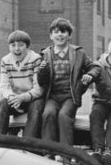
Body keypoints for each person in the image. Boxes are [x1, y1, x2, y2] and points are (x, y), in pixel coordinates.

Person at [37, 17, 94, 146]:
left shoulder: (78, 53)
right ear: (51, 36)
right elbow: (41, 82)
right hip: (52, 97)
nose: (60, 35)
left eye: (63, 32)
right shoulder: (45, 54)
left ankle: (66, 155)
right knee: (48, 114)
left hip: (70, 96)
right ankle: (49, 152)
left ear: (69, 35)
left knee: (64, 116)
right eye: (56, 32)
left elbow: (94, 67)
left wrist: (89, 75)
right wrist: (42, 72)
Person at [0, 30, 44, 138]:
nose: (16, 49)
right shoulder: (5, 61)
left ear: (27, 46)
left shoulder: (36, 60)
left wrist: (22, 98)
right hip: (16, 99)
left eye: (21, 45)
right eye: (13, 45)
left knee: (36, 109)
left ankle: (28, 144)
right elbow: (3, 87)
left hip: (32, 98)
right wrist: (12, 97)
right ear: (9, 47)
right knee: (3, 103)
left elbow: (39, 89)